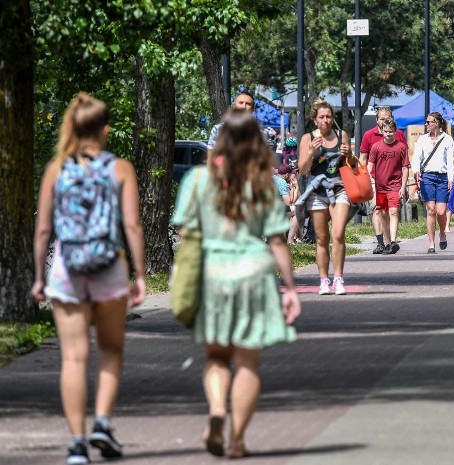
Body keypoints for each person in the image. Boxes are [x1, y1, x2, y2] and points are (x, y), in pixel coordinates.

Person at [172, 109, 301, 458]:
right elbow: (277, 240)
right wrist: (289, 288)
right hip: (254, 275)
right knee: (248, 363)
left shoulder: (197, 180)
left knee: (216, 357)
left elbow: (186, 231)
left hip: (212, 273)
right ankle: (237, 440)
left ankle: (217, 409)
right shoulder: (262, 182)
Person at [31, 92, 146, 465]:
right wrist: (141, 275)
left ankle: (77, 444)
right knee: (111, 350)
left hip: (67, 268)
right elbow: (131, 224)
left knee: (74, 358)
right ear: (105, 129)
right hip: (108, 267)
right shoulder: (120, 168)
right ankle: (102, 422)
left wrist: (38, 278)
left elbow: (43, 231)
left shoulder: (56, 169)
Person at [297, 99, 353, 295]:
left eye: (329, 116)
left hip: (339, 188)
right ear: (315, 120)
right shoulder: (307, 138)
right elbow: (303, 170)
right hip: (317, 190)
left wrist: (349, 155)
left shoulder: (341, 135)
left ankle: (338, 278)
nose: (326, 120)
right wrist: (311, 151)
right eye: (322, 117)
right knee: (322, 238)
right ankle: (323, 280)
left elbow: (352, 165)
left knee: (338, 234)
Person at [360, 107, 408, 254]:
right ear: (377, 120)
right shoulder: (369, 136)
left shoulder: (399, 135)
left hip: (394, 181)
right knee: (378, 210)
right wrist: (364, 179)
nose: (384, 121)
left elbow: (404, 162)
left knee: (392, 212)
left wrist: (403, 185)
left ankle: (391, 242)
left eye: (387, 118)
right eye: (381, 119)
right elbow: (363, 159)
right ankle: (381, 242)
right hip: (376, 179)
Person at [413, 112, 454, 253]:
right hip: (428, 177)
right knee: (431, 210)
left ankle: (442, 233)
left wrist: (451, 179)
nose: (426, 124)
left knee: (441, 211)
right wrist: (416, 170)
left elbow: (450, 160)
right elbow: (416, 158)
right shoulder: (422, 140)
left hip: (443, 177)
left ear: (437, 123)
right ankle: (431, 244)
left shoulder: (447, 139)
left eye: (429, 122)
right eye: (426, 122)